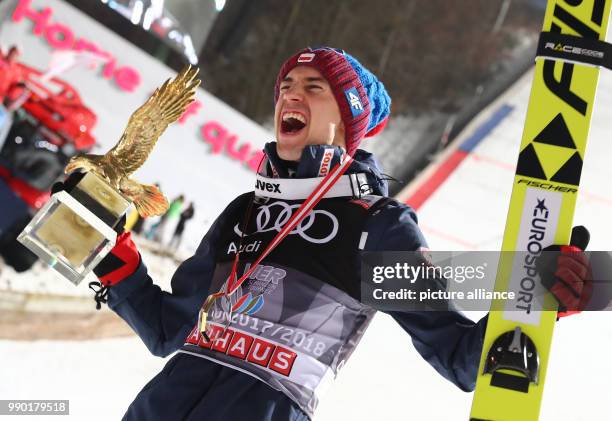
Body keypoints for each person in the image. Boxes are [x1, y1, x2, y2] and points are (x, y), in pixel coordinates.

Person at [85, 47, 593, 421]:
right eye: (286, 86)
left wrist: (534, 301)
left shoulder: (373, 224)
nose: (290, 94)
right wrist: (113, 257)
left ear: (347, 118)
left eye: (313, 87)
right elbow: (168, 330)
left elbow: (459, 357)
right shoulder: (246, 212)